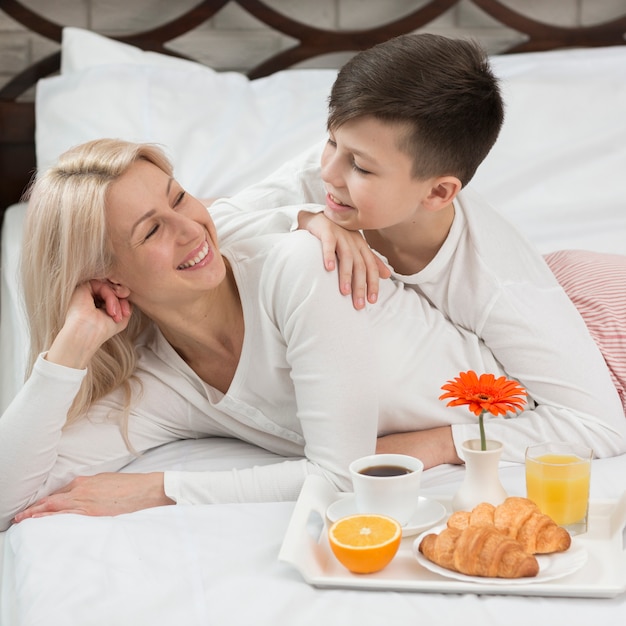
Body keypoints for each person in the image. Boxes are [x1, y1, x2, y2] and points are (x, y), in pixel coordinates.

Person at [2, 139, 624, 531]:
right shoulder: (157, 383)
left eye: (180, 197)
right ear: (104, 276)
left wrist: (159, 489)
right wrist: (69, 348)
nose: (193, 229)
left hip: (600, 331)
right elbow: (9, 497)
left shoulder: (302, 267)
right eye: (149, 232)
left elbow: (342, 476)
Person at [210, 33, 626, 455]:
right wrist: (304, 218)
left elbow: (600, 427)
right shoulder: (334, 172)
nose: (329, 173)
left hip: (599, 303)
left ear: (438, 193)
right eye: (332, 141)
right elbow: (210, 227)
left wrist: (425, 446)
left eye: (361, 167)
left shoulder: (497, 283)